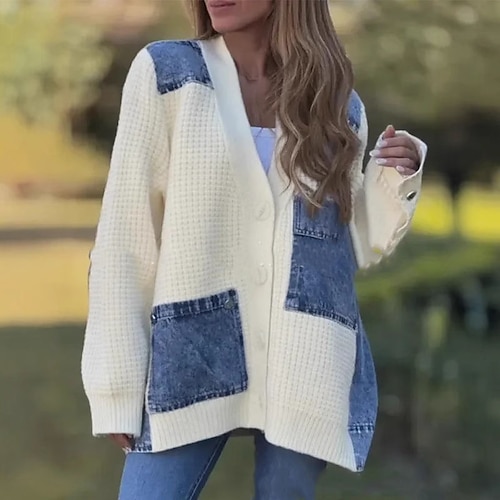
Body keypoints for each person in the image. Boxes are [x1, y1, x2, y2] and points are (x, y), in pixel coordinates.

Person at [81, 0, 427, 498]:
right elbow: (124, 238)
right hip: (192, 353)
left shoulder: (336, 106)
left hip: (305, 359)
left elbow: (344, 248)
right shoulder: (168, 75)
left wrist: (396, 177)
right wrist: (117, 383)